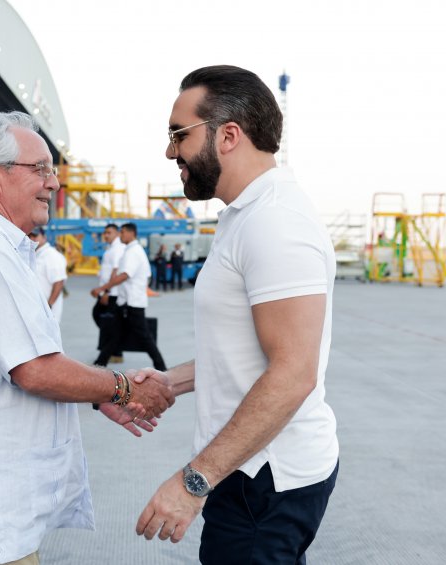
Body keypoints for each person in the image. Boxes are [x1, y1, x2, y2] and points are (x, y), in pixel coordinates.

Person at [0, 111, 174, 565]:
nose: (55, 183)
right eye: (41, 168)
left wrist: (91, 393)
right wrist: (122, 388)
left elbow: (28, 361)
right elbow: (35, 370)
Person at [134, 65, 339, 564]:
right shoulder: (244, 216)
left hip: (263, 482)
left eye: (178, 135)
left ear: (229, 135)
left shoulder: (275, 223)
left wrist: (192, 482)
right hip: (246, 471)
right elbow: (248, 357)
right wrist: (168, 382)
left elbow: (292, 375)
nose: (169, 151)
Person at [91, 222, 167, 371]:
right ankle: (100, 364)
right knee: (115, 333)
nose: (121, 234)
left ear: (132, 233)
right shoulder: (129, 250)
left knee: (144, 337)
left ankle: (162, 368)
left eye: (124, 231)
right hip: (125, 302)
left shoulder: (134, 252)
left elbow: (124, 275)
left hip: (133, 303)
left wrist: (102, 288)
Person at [91, 223, 125, 364]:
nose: (106, 235)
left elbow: (115, 271)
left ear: (117, 233)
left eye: (109, 232)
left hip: (112, 293)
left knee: (104, 319)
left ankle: (104, 358)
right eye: (105, 232)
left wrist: (106, 291)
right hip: (108, 291)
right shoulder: (111, 248)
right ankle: (116, 351)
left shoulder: (117, 249)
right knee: (103, 318)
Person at [29, 227, 67, 323]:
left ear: (44, 237)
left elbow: (59, 282)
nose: (32, 239)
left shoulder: (52, 256)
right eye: (29, 236)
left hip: (47, 311)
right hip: (36, 309)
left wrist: (49, 306)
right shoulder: (36, 254)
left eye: (35, 235)